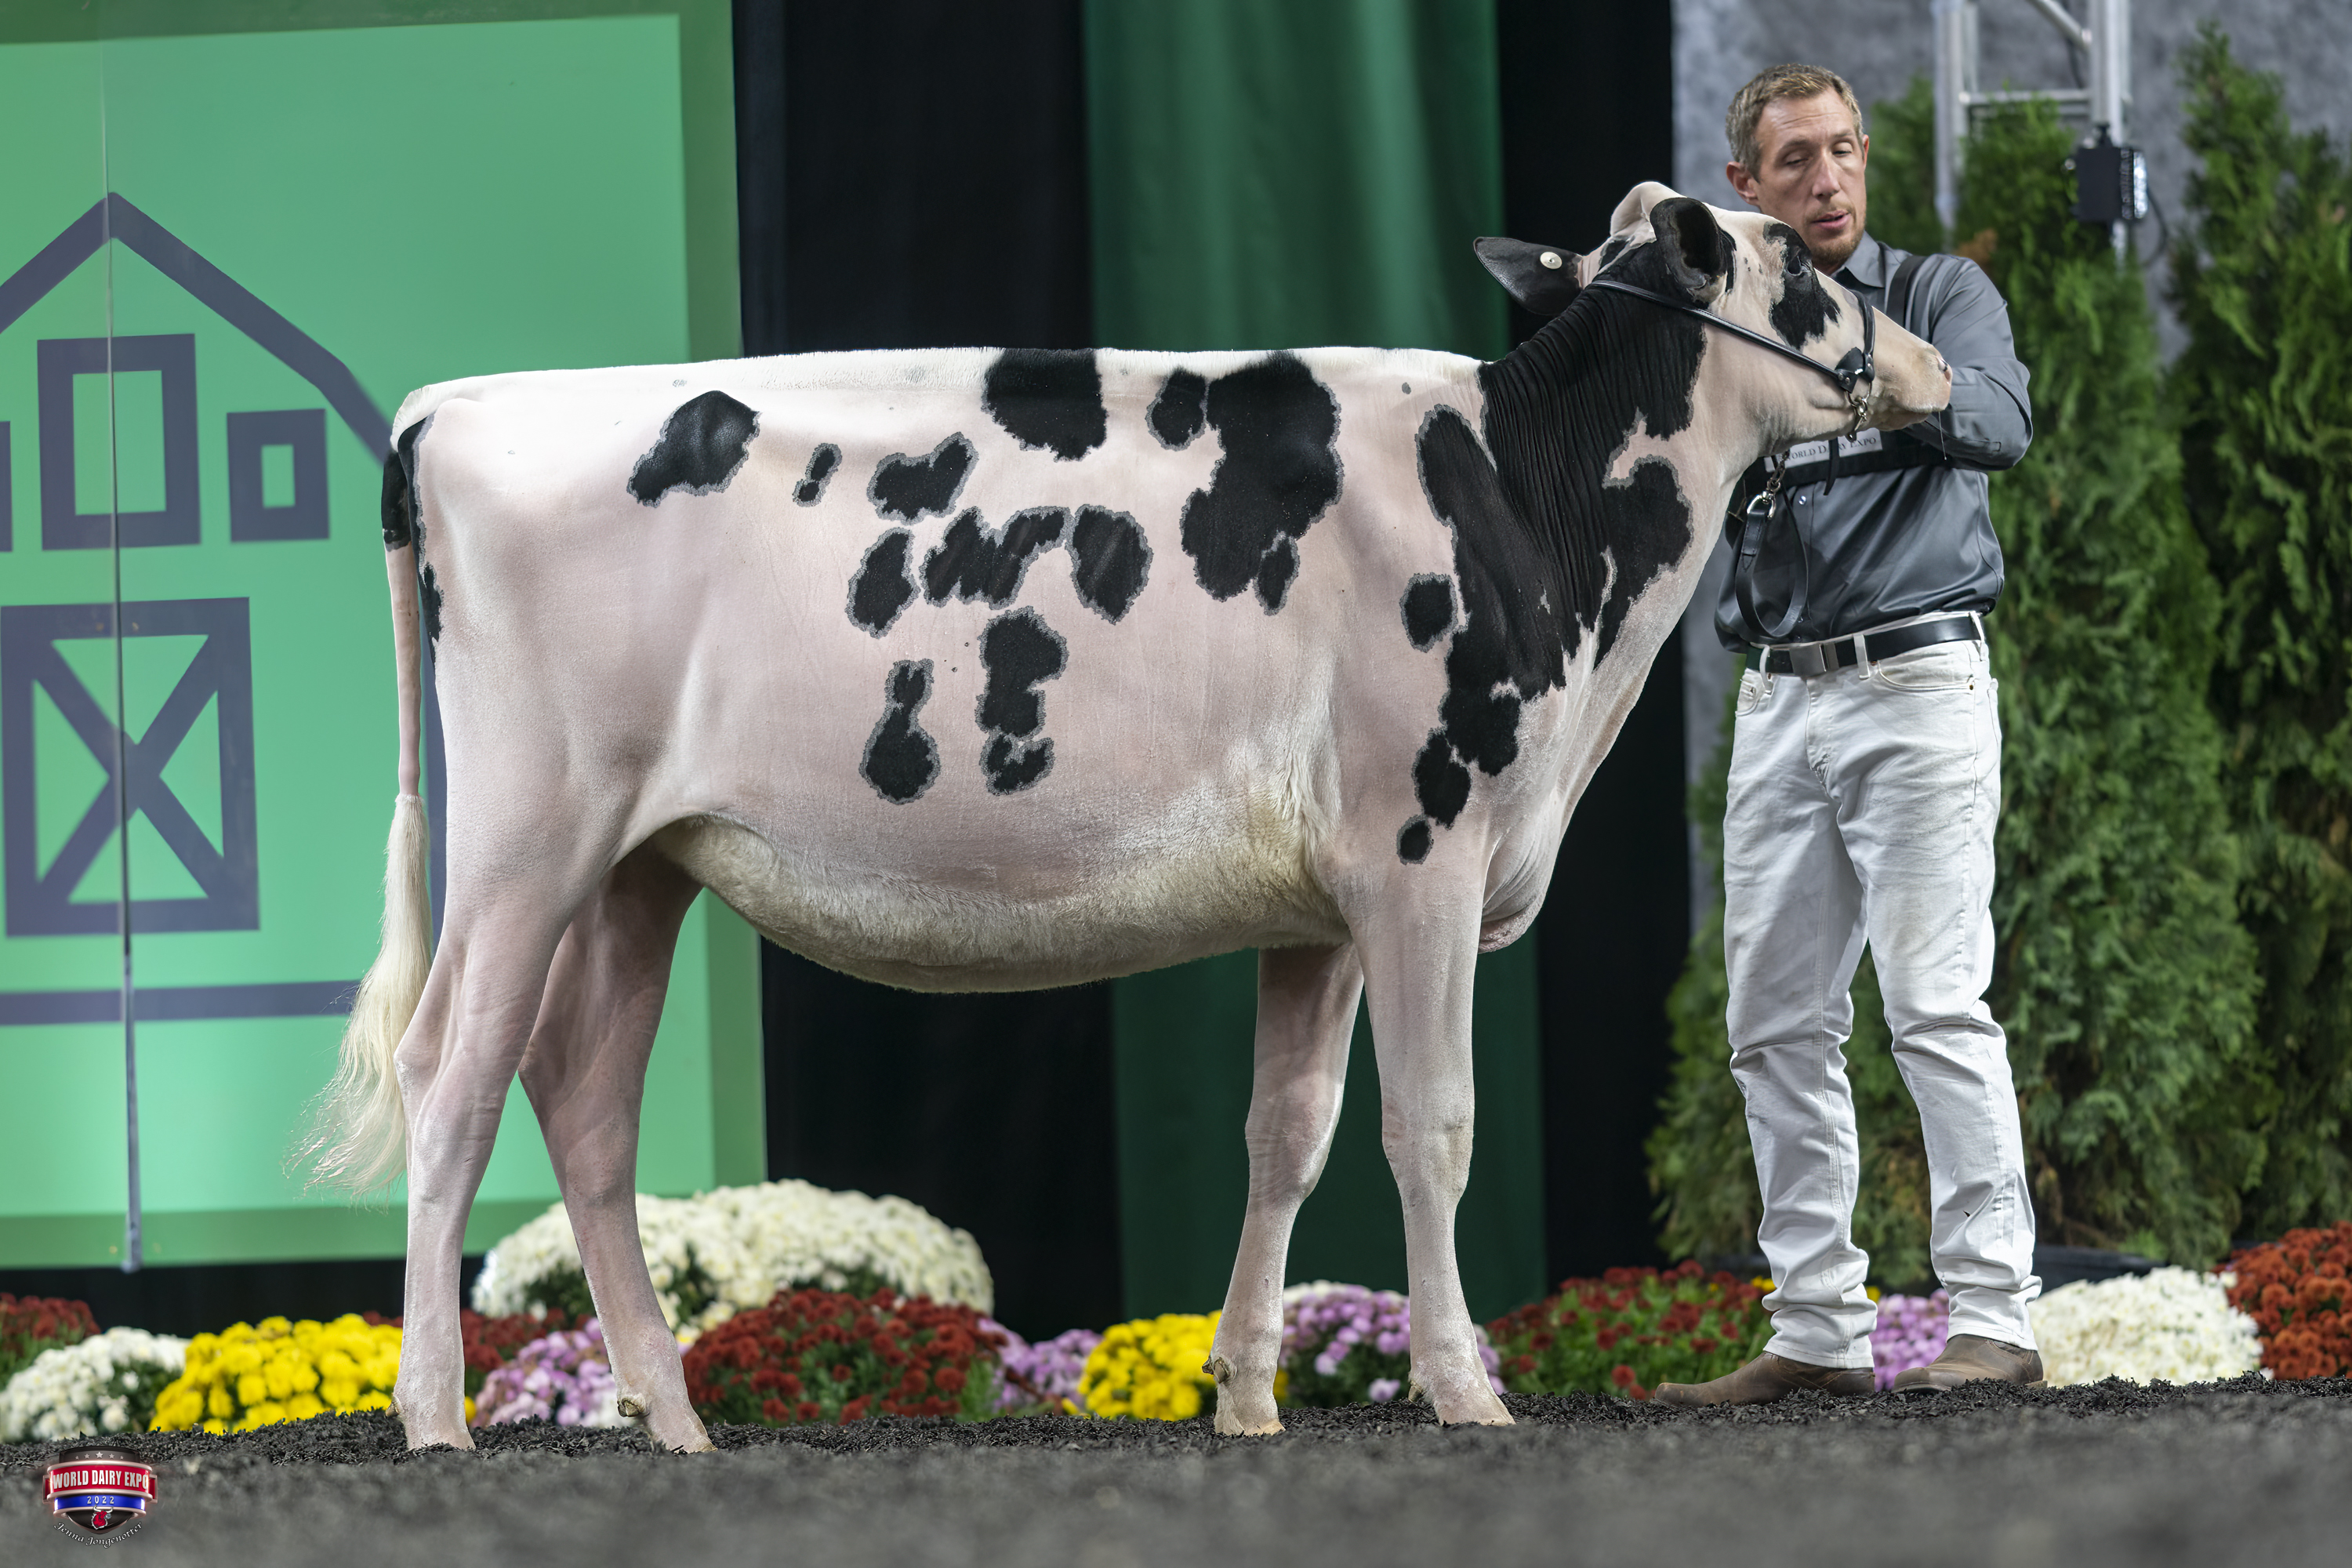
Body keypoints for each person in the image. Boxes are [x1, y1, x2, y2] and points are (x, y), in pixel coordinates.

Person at [1653, 63, 2041, 1406]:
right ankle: (1818, 1332)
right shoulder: (1730, 327)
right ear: (1745, 186)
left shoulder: (1935, 295)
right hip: (1779, 696)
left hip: (1918, 681)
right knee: (1772, 1025)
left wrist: (1867, 367)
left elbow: (2001, 423)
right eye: (1795, 161)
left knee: (1933, 1002)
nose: (1827, 180)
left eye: (1843, 151)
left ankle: (1995, 1321)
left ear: (1864, 157)